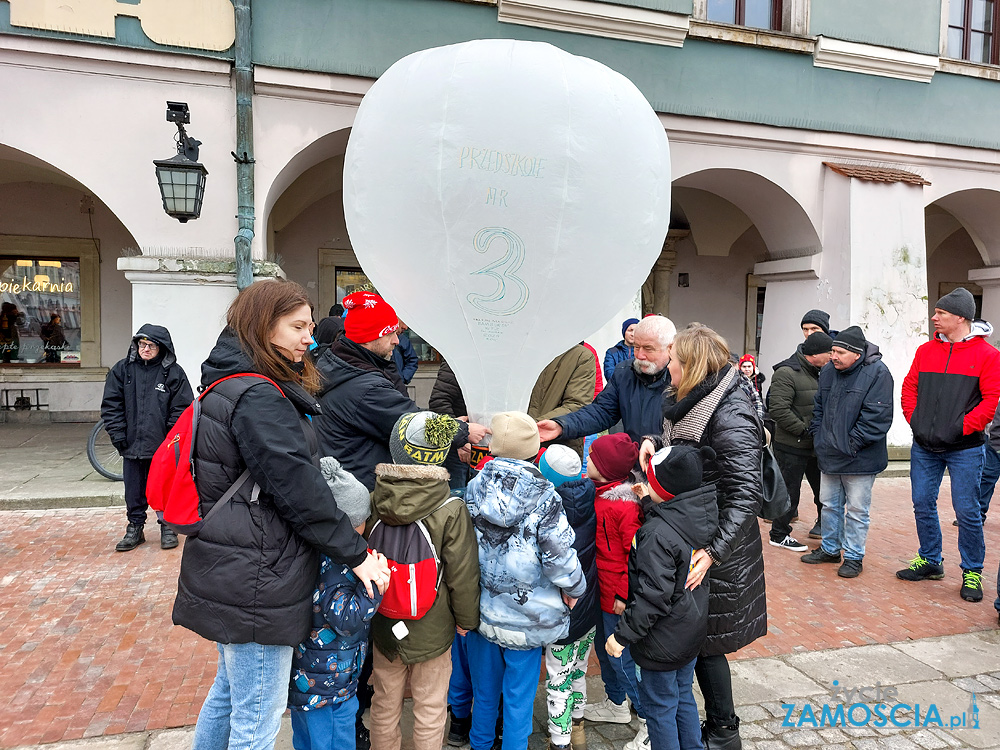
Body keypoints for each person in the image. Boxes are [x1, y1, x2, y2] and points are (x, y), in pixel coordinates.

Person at [173, 279, 389, 750]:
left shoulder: (231, 381)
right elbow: (298, 488)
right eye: (296, 326)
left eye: (310, 326)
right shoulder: (258, 395)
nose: (308, 337)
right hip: (258, 574)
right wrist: (356, 554)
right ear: (261, 327)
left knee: (230, 694)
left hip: (234, 561)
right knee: (258, 715)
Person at [638, 323, 766, 750]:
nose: (666, 367)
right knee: (695, 635)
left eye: (672, 360)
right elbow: (687, 446)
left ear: (690, 366)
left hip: (718, 541)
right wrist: (654, 441)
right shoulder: (688, 397)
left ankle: (724, 732)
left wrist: (713, 552)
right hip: (691, 525)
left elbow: (747, 493)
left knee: (709, 640)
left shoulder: (730, 410)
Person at [464, 412, 586, 750]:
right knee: (518, 701)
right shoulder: (545, 497)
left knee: (484, 696)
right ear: (535, 450)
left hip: (484, 613)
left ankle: (479, 745)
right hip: (528, 620)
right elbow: (559, 557)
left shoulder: (474, 487)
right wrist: (575, 588)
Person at [368, 411, 481, 750]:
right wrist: (466, 620)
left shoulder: (376, 496)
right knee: (431, 707)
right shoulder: (450, 508)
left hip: (384, 621)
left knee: (384, 702)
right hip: (433, 624)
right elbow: (462, 573)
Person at [313, 291, 487, 491]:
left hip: (354, 478)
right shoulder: (366, 388)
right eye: (390, 333)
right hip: (364, 488)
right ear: (368, 338)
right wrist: (462, 431)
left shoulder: (349, 364)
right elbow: (413, 426)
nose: (397, 340)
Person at [608, 445, 720, 750]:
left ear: (662, 488)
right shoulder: (701, 510)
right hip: (689, 629)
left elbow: (652, 596)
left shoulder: (655, 535)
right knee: (683, 695)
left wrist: (622, 636)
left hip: (662, 640)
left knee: (659, 708)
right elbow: (674, 523)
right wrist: (648, 500)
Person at [898, 288, 1000, 602]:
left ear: (960, 317)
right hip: (924, 445)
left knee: (968, 511)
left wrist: (958, 428)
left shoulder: (988, 355)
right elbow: (909, 388)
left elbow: (990, 403)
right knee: (922, 503)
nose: (934, 317)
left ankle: (972, 572)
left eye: (940, 313)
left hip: (965, 448)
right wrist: (916, 420)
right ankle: (930, 559)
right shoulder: (926, 350)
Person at [288, 458, 383, 750]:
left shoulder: (307, 551)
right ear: (353, 523)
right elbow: (346, 619)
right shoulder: (339, 565)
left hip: (307, 679)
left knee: (305, 739)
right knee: (335, 740)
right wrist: (376, 585)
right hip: (331, 687)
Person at [799, 327, 893, 579]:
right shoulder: (829, 371)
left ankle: (853, 556)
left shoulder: (878, 373)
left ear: (857, 354)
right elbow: (818, 407)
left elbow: (877, 418)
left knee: (857, 511)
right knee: (829, 504)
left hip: (859, 457)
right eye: (832, 351)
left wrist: (850, 444)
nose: (833, 356)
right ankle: (830, 549)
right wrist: (820, 437)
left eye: (839, 352)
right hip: (830, 453)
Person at [100, 324, 193, 552]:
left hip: (163, 446)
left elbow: (182, 408)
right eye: (142, 344)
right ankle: (135, 527)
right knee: (133, 489)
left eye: (151, 345)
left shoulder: (173, 373)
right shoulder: (122, 370)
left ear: (162, 348)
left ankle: (167, 526)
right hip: (131, 443)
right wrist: (118, 434)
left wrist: (171, 439)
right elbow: (111, 405)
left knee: (165, 488)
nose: (145, 349)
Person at [585, 433, 648, 750]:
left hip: (617, 596)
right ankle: (616, 704)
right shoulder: (601, 493)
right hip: (603, 590)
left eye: (593, 457)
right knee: (602, 644)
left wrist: (625, 598)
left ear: (606, 468)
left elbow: (633, 558)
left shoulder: (623, 507)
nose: (588, 459)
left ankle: (649, 720)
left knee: (620, 655)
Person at [538, 445, 600, 750]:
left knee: (557, 680)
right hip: (590, 610)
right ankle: (578, 729)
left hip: (563, 613)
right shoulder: (593, 498)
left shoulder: (549, 511)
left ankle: (560, 742)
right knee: (579, 670)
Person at [538, 315, 676, 448]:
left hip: (670, 467)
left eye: (648, 349)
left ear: (670, 348)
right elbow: (601, 411)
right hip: (636, 466)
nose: (640, 355)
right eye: (636, 347)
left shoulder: (685, 379)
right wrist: (562, 425)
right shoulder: (625, 373)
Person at [766, 331, 833, 551]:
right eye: (829, 353)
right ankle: (779, 534)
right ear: (815, 355)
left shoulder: (821, 372)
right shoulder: (786, 373)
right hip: (792, 446)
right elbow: (778, 409)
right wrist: (805, 431)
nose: (832, 357)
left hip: (814, 446)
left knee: (824, 492)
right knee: (789, 492)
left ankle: (828, 530)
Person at [528, 344, 598, 457]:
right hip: (514, 443)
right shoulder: (525, 349)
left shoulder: (581, 356)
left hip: (556, 450)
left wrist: (526, 426)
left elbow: (577, 404)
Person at [391, 320, 419, 385]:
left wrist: (403, 378)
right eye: (404, 322)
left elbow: (412, 360)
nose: (406, 327)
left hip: (398, 384)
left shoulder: (403, 340)